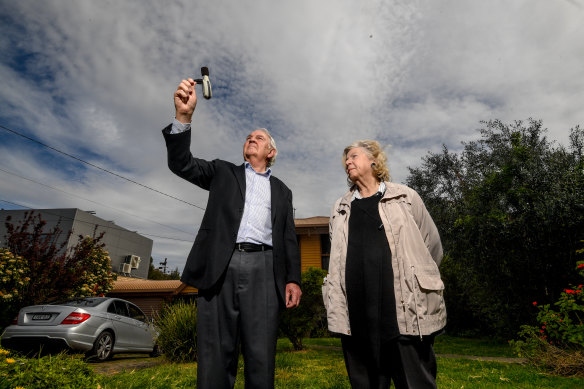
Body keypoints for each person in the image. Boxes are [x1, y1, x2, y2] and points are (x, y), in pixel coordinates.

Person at [162, 78, 302, 389]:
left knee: (261, 355)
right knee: (214, 355)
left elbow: (288, 238)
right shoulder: (223, 172)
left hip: (265, 270)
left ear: (271, 151)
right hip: (220, 268)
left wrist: (293, 278)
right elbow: (181, 164)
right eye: (249, 136)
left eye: (260, 137)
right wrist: (184, 117)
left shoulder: (283, 191)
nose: (252, 138)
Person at [322, 140, 446, 388]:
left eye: (354, 156)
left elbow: (431, 247)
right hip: (356, 316)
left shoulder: (405, 197)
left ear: (374, 161)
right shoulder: (340, 208)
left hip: (404, 312)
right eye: (346, 159)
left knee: (415, 383)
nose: (348, 162)